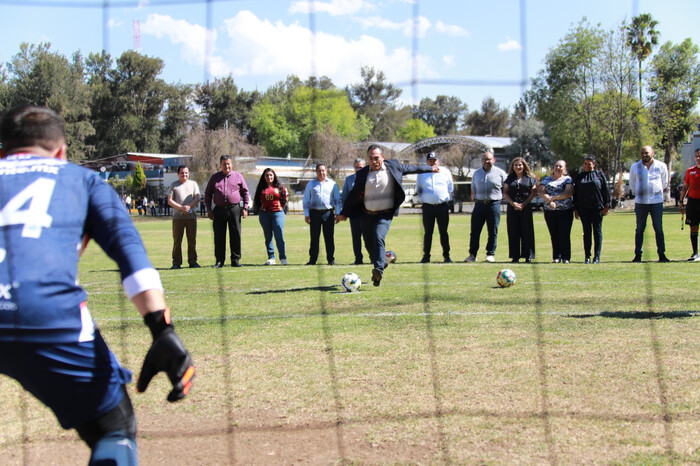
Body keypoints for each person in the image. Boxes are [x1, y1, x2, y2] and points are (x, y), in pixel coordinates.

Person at [0, 105, 194, 464]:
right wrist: (161, 329)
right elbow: (129, 253)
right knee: (114, 428)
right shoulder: (81, 179)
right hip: (42, 312)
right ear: (61, 151)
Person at [336, 145, 437, 286]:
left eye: (376, 158)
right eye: (371, 158)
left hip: (384, 214)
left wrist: (430, 168)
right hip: (366, 214)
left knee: (378, 236)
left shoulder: (393, 167)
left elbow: (411, 169)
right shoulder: (362, 173)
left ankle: (378, 270)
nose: (374, 161)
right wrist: (344, 213)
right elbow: (353, 195)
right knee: (368, 244)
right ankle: (381, 262)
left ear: (382, 157)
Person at [204, 155, 250, 268]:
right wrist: (209, 209)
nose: (227, 166)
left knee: (236, 235)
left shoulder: (238, 176)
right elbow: (208, 194)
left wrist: (245, 207)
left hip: (234, 209)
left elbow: (245, 192)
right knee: (219, 236)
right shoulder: (215, 178)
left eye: (228, 164)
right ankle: (219, 261)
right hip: (219, 210)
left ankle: (235, 260)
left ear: (231, 164)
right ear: (220, 165)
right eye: (224, 164)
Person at [629, 145, 669, 262]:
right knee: (640, 229)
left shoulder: (661, 166)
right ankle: (638, 255)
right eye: (642, 153)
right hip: (641, 203)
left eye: (646, 153)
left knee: (658, 228)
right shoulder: (635, 167)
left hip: (656, 202)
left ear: (652, 153)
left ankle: (662, 254)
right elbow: (632, 184)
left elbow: (664, 183)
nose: (644, 155)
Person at [465, 151, 507, 263]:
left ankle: (490, 254)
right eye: (484, 159)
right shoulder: (476, 173)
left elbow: (506, 189)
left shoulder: (501, 173)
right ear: (481, 161)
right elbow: (473, 187)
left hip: (494, 205)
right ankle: (472, 255)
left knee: (492, 231)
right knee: (474, 231)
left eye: (489, 159)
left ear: (494, 160)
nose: (487, 162)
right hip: (479, 205)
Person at [415, 151, 454, 263]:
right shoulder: (422, 173)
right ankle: (426, 256)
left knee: (444, 232)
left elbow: (450, 188)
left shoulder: (445, 172)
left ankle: (446, 256)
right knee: (428, 233)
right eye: (430, 160)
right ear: (427, 161)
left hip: (442, 206)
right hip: (428, 208)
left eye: (434, 160)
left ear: (438, 161)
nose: (432, 162)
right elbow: (419, 189)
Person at [573, 155, 611, 264]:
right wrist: (576, 208)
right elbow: (576, 193)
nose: (586, 166)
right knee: (587, 232)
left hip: (597, 208)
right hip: (583, 208)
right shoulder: (579, 177)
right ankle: (587, 256)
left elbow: (606, 190)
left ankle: (597, 256)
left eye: (589, 164)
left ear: (593, 164)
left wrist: (607, 205)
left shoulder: (599, 175)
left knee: (597, 232)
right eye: (585, 163)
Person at [303, 163, 341, 265]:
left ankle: (331, 259)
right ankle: (312, 260)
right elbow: (306, 200)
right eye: (319, 171)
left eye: (323, 170)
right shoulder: (311, 184)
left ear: (326, 171)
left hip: (328, 213)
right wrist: (306, 214)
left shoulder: (332, 184)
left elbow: (337, 200)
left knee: (329, 238)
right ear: (316, 172)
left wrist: (337, 214)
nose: (321, 173)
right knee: (314, 237)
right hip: (314, 213)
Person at [502, 157, 537, 263]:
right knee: (513, 231)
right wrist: (513, 204)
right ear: (512, 167)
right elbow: (505, 192)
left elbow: (533, 192)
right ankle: (515, 256)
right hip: (512, 208)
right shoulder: (509, 179)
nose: (518, 167)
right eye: (516, 165)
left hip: (525, 208)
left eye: (520, 165)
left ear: (524, 166)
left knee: (527, 231)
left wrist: (524, 203)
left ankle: (528, 255)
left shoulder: (530, 178)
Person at [538, 160, 574, 263]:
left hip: (565, 211)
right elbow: (541, 190)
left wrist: (553, 198)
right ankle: (556, 257)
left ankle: (566, 257)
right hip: (550, 211)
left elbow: (568, 192)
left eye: (560, 166)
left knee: (564, 234)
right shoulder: (546, 179)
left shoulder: (568, 179)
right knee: (554, 234)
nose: (558, 168)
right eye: (556, 166)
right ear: (553, 168)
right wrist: (549, 201)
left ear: (564, 169)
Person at [253, 168, 289, 265]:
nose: (269, 177)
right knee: (268, 237)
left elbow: (285, 199)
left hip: (277, 213)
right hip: (264, 214)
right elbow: (257, 200)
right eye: (267, 175)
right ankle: (271, 257)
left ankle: (283, 258)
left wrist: (280, 208)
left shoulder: (280, 187)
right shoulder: (261, 188)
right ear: (264, 177)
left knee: (279, 235)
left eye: (271, 175)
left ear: (274, 176)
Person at [168, 165, 201, 269]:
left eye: (186, 173)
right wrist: (181, 208)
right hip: (178, 218)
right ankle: (176, 263)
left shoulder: (193, 184)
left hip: (191, 217)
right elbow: (170, 200)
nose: (184, 174)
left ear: (189, 173)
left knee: (192, 240)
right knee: (177, 241)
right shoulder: (174, 185)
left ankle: (193, 261)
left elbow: (197, 198)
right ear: (178, 174)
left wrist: (188, 206)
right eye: (182, 173)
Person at [341, 158, 366, 265]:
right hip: (354, 213)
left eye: (361, 167)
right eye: (356, 167)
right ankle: (358, 259)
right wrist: (345, 212)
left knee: (369, 237)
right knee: (356, 238)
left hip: (367, 213)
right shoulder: (349, 180)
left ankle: (374, 258)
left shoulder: (369, 177)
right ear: (353, 167)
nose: (358, 169)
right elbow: (344, 197)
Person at [679, 148, 700, 261]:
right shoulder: (690, 171)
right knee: (693, 227)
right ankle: (695, 253)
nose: (698, 158)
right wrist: (681, 201)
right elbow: (685, 187)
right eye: (696, 156)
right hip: (693, 202)